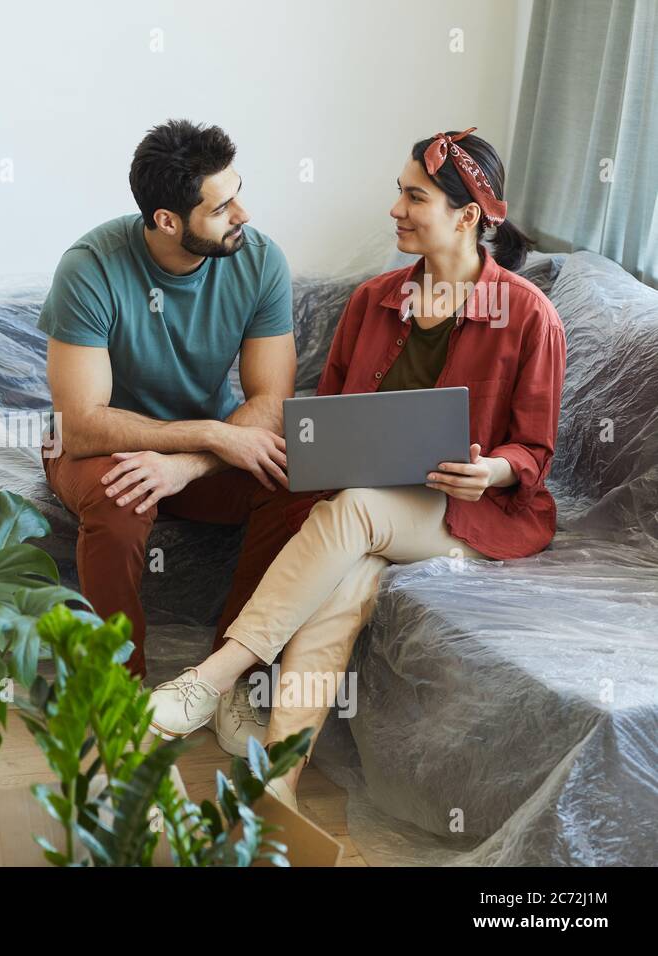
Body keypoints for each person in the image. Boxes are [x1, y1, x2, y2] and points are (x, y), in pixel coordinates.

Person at [146, 128, 567, 811]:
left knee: (350, 512)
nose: (396, 208)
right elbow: (332, 417)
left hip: (469, 512)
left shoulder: (528, 315)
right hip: (374, 508)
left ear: (466, 216)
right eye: (398, 193)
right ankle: (274, 796)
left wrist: (492, 471)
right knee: (340, 596)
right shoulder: (375, 299)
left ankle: (216, 676)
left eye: (414, 196)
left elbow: (536, 451)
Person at [38, 119, 298, 752]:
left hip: (201, 456)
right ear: (167, 221)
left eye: (238, 191)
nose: (243, 212)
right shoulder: (90, 268)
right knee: (124, 500)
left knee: (299, 486)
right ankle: (119, 692)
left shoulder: (259, 259)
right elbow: (81, 423)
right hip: (104, 447)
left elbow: (271, 400)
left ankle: (227, 680)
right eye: (221, 206)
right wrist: (208, 435)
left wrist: (189, 463)